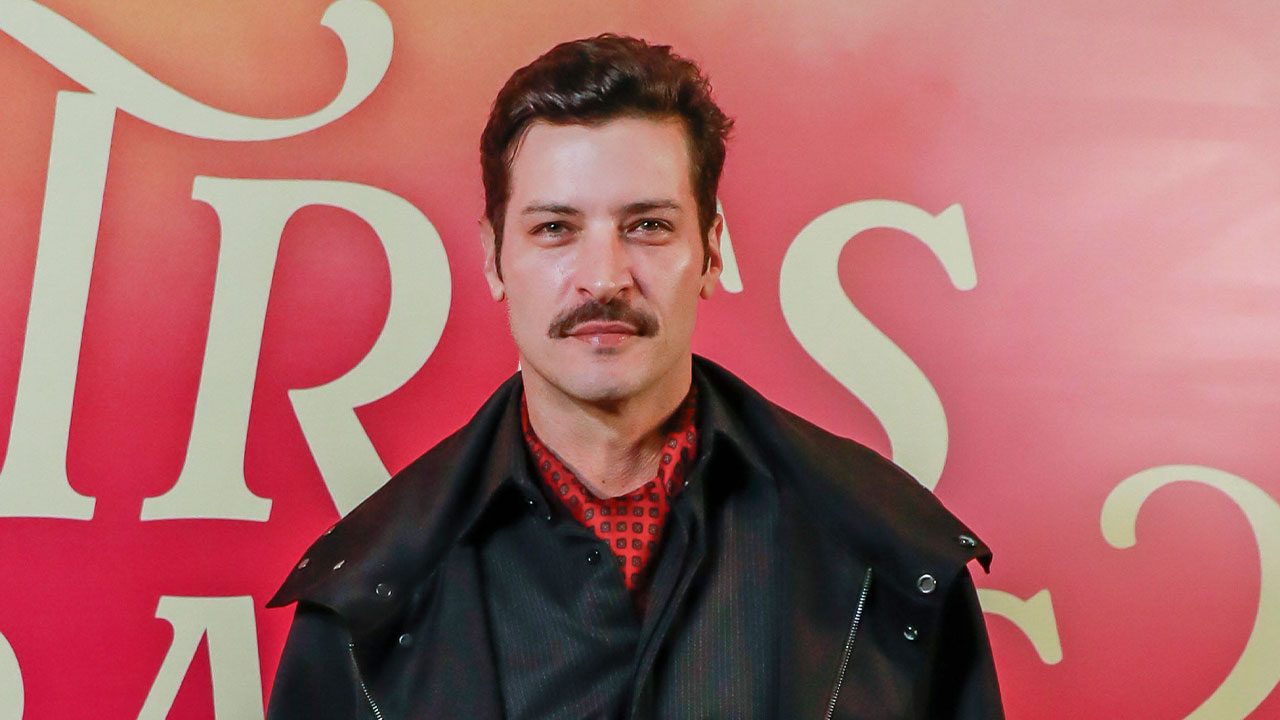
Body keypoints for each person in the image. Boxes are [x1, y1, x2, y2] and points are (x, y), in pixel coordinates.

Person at [265, 34, 1002, 719]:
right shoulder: (365, 594)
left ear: (711, 251)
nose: (603, 278)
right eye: (554, 228)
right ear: (494, 259)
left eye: (647, 225)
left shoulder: (892, 557)